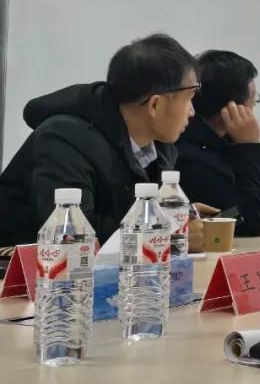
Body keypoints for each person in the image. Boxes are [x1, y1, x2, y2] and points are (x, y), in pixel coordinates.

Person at [0, 33, 200, 247]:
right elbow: (73, 233)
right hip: (23, 264)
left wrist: (179, 217)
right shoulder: (64, 139)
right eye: (189, 99)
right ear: (155, 105)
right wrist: (168, 236)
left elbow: (138, 218)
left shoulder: (161, 149)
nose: (192, 112)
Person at [175, 50, 260, 237]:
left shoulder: (219, 144)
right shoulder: (191, 156)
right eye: (253, 99)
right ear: (232, 108)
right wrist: (252, 148)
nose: (254, 106)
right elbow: (251, 222)